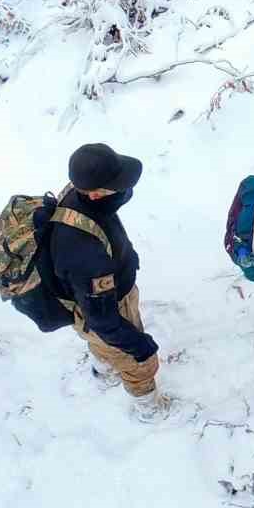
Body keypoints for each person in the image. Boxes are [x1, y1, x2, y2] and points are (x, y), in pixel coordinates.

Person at [49, 144, 166, 421]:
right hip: (107, 307)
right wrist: (139, 346)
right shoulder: (85, 253)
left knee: (103, 345)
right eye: (118, 185)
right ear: (96, 193)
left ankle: (102, 370)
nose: (125, 189)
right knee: (135, 360)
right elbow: (103, 321)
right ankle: (148, 409)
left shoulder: (78, 193)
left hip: (101, 298)